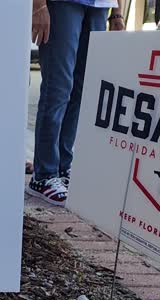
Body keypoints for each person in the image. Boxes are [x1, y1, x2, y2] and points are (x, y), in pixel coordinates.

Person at [28, 0, 125, 206]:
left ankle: (63, 167)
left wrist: (117, 12)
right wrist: (38, 5)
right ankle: (43, 174)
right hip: (62, 3)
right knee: (58, 87)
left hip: (100, 6)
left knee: (81, 89)